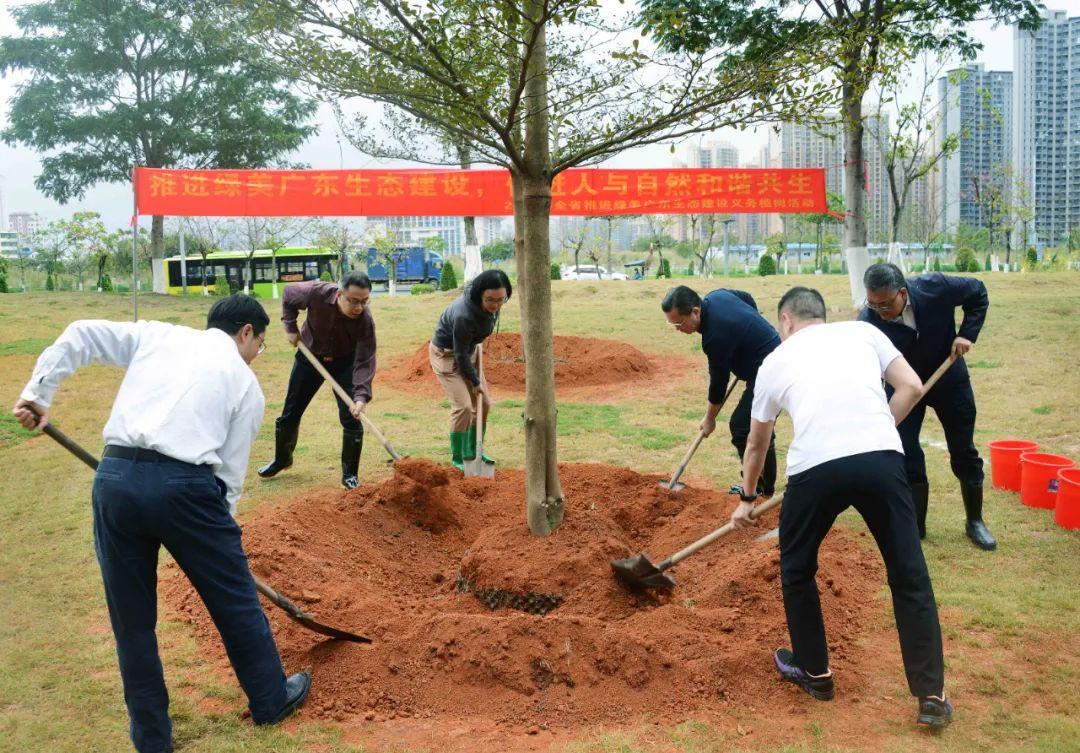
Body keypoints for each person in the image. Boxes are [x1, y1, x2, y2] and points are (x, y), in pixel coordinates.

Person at [12, 295, 310, 753]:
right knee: (234, 601)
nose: (256, 355)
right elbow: (228, 478)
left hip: (115, 479)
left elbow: (81, 333)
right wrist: (221, 547)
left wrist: (38, 392)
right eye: (260, 345)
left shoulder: (158, 335)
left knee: (131, 620)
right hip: (188, 488)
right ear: (246, 332)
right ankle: (270, 698)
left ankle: (152, 738)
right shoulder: (245, 385)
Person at [731, 286, 951, 728]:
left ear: (787, 321)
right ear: (822, 315)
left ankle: (816, 674)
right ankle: (931, 694)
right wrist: (874, 429)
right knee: (908, 573)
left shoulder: (775, 360)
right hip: (881, 460)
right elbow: (910, 386)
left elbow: (758, 441)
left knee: (796, 569)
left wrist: (747, 498)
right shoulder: (863, 333)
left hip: (815, 471)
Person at [858, 263, 994, 550]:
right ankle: (915, 527)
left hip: (948, 377)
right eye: (873, 304)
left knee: (963, 450)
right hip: (903, 388)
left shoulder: (936, 287)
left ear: (903, 293)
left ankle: (975, 522)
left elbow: (978, 292)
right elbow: (864, 364)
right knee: (906, 452)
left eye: (885, 304)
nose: (879, 310)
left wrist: (967, 333)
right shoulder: (868, 320)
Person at [258, 271, 376, 490]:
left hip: (344, 362)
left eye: (364, 302)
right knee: (291, 411)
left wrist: (360, 397)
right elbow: (288, 294)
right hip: (309, 356)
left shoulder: (365, 321)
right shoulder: (316, 293)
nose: (358, 307)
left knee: (352, 417)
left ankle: (350, 475)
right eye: (353, 301)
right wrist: (290, 327)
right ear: (340, 294)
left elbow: (365, 361)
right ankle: (282, 459)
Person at [661, 285, 781, 496]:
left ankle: (762, 489)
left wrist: (710, 419)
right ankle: (758, 485)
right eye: (672, 324)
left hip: (772, 371)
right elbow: (747, 297)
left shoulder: (714, 336)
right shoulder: (718, 296)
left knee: (744, 427)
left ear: (695, 312)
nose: (677, 329)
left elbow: (718, 382)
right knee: (747, 426)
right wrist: (747, 329)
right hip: (765, 362)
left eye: (679, 323)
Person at [429, 269, 511, 469]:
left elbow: (467, 346)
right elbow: (459, 355)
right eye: (491, 300)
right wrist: (475, 382)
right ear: (479, 295)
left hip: (467, 351)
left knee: (484, 405)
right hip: (448, 355)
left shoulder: (492, 304)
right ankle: (458, 457)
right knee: (464, 407)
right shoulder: (463, 315)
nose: (496, 305)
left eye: (502, 299)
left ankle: (474, 450)